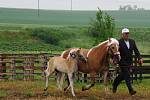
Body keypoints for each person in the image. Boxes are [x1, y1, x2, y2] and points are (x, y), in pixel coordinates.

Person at [112, 28, 143, 95]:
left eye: (128, 33)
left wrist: (139, 58)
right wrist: (115, 60)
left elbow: (136, 51)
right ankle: (131, 90)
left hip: (129, 62)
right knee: (127, 74)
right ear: (122, 34)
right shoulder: (118, 42)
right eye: (125, 33)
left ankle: (114, 84)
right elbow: (115, 52)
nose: (127, 35)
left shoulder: (132, 41)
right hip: (122, 62)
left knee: (122, 76)